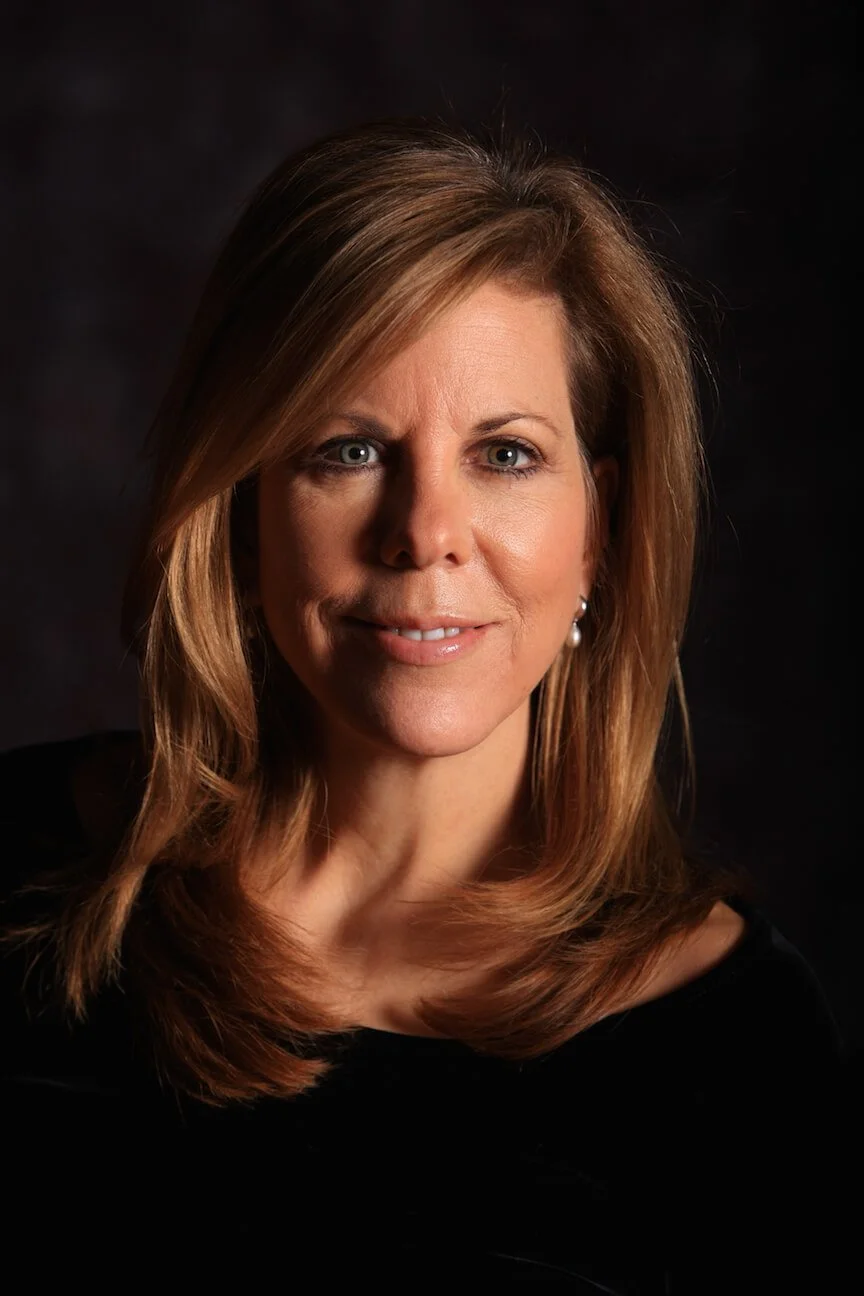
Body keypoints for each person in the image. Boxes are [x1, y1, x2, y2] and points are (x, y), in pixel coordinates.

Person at [0, 116, 848, 1291]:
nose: (426, 535)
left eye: (504, 455)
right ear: (244, 508)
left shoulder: (738, 1047)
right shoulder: (21, 871)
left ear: (599, 530)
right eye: (347, 450)